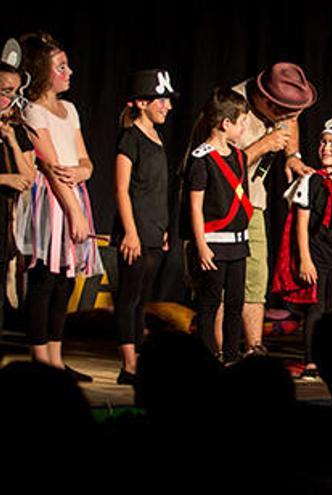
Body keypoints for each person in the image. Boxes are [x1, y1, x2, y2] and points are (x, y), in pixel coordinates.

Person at [19, 32, 103, 382]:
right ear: (41, 71)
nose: (69, 72)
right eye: (61, 67)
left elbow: (85, 159)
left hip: (74, 192)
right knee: (45, 276)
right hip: (51, 199)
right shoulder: (32, 110)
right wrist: (74, 212)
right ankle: (41, 360)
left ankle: (56, 358)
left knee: (65, 281)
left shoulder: (69, 109)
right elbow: (51, 168)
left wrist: (83, 171)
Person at [227, 62, 316, 357]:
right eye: (284, 111)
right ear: (265, 100)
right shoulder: (231, 106)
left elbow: (291, 121)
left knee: (255, 278)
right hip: (220, 205)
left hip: (253, 202)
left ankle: (254, 348)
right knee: (221, 286)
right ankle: (216, 354)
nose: (290, 118)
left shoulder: (282, 109)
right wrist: (265, 145)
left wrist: (292, 155)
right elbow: (216, 168)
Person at [271, 118, 332, 377]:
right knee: (315, 308)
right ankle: (311, 359)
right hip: (316, 254)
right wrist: (304, 259)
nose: (326, 148)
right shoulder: (310, 180)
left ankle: (331, 357)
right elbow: (300, 223)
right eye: (324, 142)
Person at [112, 69, 177, 385]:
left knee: (141, 298)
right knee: (128, 297)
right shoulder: (130, 138)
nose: (168, 106)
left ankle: (135, 361)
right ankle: (128, 365)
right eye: (161, 100)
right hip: (134, 232)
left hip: (153, 230)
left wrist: (162, 227)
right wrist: (131, 231)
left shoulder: (157, 137)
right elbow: (122, 189)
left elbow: (155, 188)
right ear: (141, 102)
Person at [180, 88, 251, 365]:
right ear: (226, 123)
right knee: (209, 304)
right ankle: (206, 360)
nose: (245, 127)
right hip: (213, 242)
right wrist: (201, 246)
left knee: (235, 304)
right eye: (242, 121)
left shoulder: (239, 156)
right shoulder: (201, 158)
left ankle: (232, 357)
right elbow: (195, 207)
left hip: (238, 243)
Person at [0, 39, 35, 334]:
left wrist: (11, 139)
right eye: (4, 92)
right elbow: (14, 180)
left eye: (13, 92)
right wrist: (4, 179)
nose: (9, 99)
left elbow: (28, 177)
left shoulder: (13, 130)